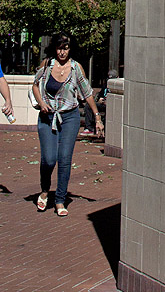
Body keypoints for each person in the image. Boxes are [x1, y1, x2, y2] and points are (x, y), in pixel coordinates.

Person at [32, 33, 103, 216]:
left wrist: (97, 117)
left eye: (65, 48)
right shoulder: (47, 65)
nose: (62, 52)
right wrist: (41, 103)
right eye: (59, 48)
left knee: (64, 159)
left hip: (69, 118)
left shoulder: (75, 68)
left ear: (70, 49)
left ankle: (60, 200)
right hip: (47, 117)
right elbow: (34, 85)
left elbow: (87, 93)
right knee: (49, 158)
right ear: (54, 48)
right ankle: (45, 189)